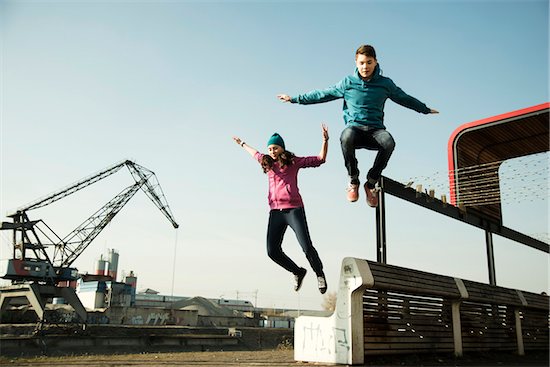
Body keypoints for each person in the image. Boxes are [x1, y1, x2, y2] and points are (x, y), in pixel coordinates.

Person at [278, 44, 439, 207]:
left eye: (369, 62)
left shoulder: (385, 84)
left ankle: (370, 183)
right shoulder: (348, 83)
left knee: (389, 142)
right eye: (362, 63)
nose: (365, 67)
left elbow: (404, 98)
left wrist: (423, 109)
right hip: (355, 131)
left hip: (375, 131)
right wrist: (295, 98)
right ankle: (353, 179)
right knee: (345, 136)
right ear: (356, 62)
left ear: (375, 62)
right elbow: (322, 94)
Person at [232, 125, 329, 294]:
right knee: (272, 251)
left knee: (306, 247)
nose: (272, 151)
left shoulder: (293, 162)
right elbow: (255, 154)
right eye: (269, 148)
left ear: (282, 148)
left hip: (294, 210)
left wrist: (325, 140)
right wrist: (242, 144)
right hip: (275, 212)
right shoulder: (267, 163)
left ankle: (319, 273)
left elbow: (320, 159)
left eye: (275, 148)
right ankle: (298, 271)